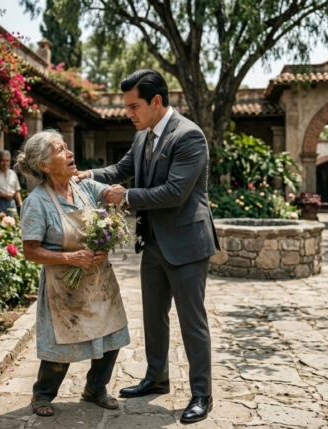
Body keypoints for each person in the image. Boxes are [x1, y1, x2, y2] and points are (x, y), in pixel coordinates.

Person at [76, 69, 220, 423]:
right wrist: (88, 175)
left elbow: (174, 192)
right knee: (153, 318)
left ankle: (202, 395)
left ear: (157, 101)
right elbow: (122, 168)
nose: (129, 113)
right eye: (126, 106)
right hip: (154, 242)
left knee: (192, 323)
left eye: (134, 105)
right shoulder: (142, 136)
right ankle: (156, 379)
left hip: (187, 244)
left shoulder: (189, 136)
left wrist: (126, 198)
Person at [17, 129, 130, 417]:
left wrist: (107, 239)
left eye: (68, 147)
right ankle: (43, 394)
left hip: (99, 280)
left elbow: (108, 196)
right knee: (61, 346)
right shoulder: (36, 202)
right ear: (44, 165)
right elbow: (31, 251)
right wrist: (70, 257)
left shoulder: (83, 187)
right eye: (60, 150)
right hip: (64, 287)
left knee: (111, 334)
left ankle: (96, 388)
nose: (70, 153)